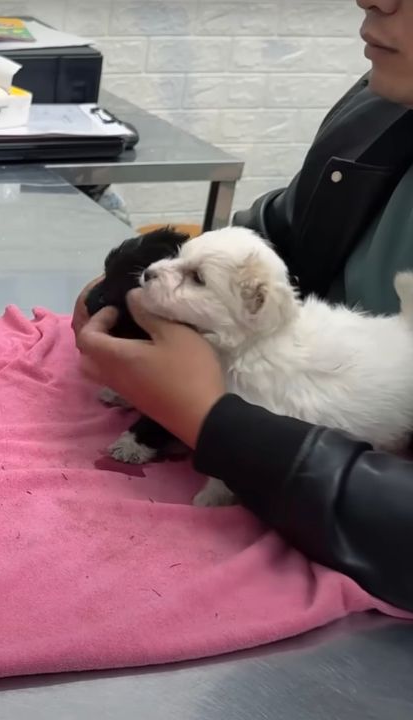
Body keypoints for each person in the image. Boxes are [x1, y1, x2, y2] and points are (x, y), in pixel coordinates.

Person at [73, 0, 413, 614]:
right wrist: (124, 286)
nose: (372, 0)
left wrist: (219, 424)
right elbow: (279, 233)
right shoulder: (381, 103)